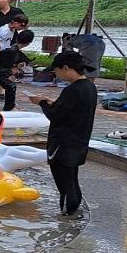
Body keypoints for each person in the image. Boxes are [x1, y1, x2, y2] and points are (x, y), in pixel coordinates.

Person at [29, 52, 98, 215]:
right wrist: (53, 103)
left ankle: (67, 218)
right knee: (72, 180)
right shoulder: (89, 87)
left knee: (64, 185)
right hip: (79, 141)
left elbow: (55, 116)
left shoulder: (72, 90)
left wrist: (42, 102)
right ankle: (75, 212)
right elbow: (70, 110)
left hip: (63, 143)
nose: (56, 75)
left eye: (57, 71)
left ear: (66, 68)